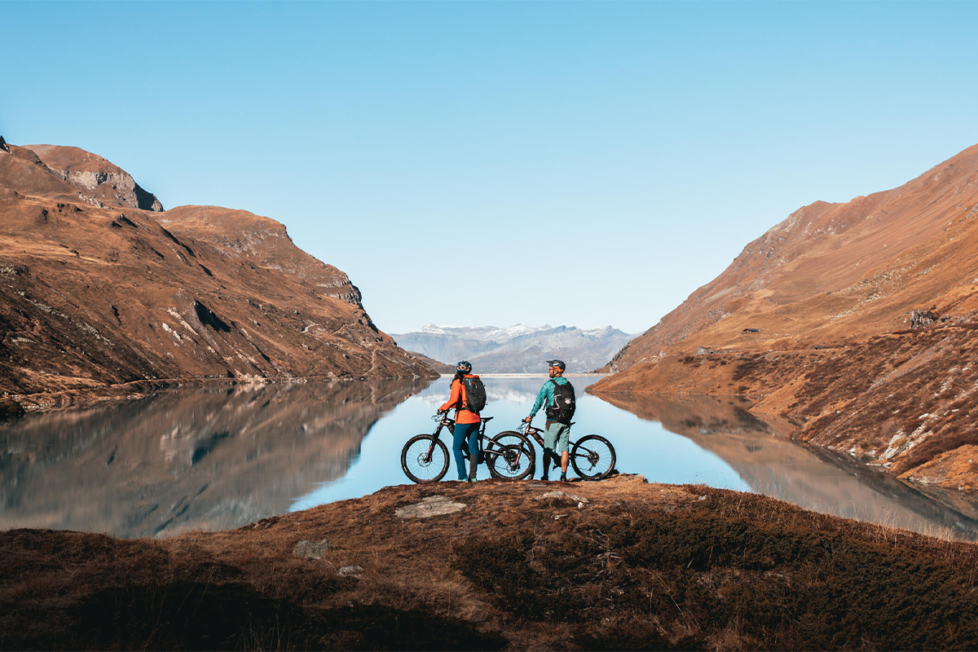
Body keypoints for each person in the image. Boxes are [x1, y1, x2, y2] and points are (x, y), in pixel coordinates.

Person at [524, 359, 575, 482]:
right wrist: (568, 417)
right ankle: (563, 476)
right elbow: (573, 403)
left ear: (556, 370)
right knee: (564, 450)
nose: (548, 370)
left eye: (550, 368)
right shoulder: (569, 385)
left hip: (552, 421)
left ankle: (545, 476)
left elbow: (539, 401)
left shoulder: (548, 384)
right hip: (566, 421)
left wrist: (531, 415)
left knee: (547, 450)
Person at [438, 361, 482, 482]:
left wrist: (443, 408)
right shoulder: (474, 381)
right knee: (473, 448)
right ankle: (473, 477)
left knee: (457, 448)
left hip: (463, 419)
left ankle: (462, 477)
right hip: (476, 418)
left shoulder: (458, 382)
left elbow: (454, 399)